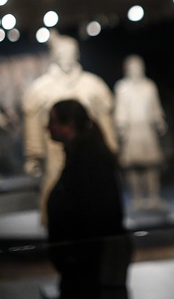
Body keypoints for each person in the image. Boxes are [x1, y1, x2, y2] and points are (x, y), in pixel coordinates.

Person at [22, 32, 117, 224]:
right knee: (56, 193)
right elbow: (33, 125)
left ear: (77, 54)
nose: (66, 57)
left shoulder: (93, 85)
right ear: (53, 55)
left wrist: (111, 148)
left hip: (89, 151)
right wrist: (34, 155)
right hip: (53, 155)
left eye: (70, 53)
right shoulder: (40, 88)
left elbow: (104, 121)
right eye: (61, 53)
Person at [46, 99, 132, 299]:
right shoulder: (80, 155)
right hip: (83, 262)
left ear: (70, 125)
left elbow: (96, 214)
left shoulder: (90, 160)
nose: (47, 127)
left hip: (88, 263)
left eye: (53, 121)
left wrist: (74, 256)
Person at [114, 55, 168, 210]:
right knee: (133, 167)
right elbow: (120, 109)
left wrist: (159, 120)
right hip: (132, 132)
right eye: (133, 67)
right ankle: (137, 199)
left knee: (151, 165)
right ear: (127, 69)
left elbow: (155, 106)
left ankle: (153, 197)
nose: (136, 70)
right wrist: (120, 126)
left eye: (139, 67)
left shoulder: (149, 86)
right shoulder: (122, 87)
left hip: (147, 131)